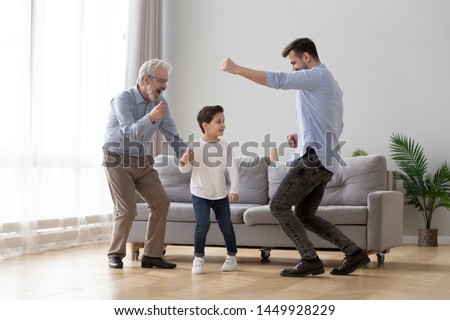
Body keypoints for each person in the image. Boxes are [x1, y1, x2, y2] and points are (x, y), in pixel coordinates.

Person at [221, 38, 370, 277]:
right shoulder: (329, 83)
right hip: (324, 159)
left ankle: (309, 259)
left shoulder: (316, 76)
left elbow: (279, 80)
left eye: (294, 62)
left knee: (278, 205)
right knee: (305, 215)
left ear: (307, 57)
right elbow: (334, 124)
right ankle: (354, 252)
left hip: (314, 160)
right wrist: (303, 138)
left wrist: (238, 70)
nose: (293, 68)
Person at [103, 59, 187, 269]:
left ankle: (152, 255)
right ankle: (115, 254)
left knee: (161, 202)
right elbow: (128, 132)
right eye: (161, 81)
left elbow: (171, 134)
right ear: (146, 79)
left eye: (167, 82)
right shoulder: (122, 99)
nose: (165, 86)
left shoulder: (161, 103)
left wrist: (185, 153)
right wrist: (150, 117)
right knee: (127, 209)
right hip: (117, 157)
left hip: (142, 159)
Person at [179, 105, 239, 274]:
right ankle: (198, 259)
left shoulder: (226, 147)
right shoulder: (195, 145)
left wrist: (234, 190)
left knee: (226, 226)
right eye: (218, 122)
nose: (223, 125)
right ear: (205, 125)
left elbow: (233, 170)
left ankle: (232, 258)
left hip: (220, 194)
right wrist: (184, 160)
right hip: (200, 194)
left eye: (224, 121)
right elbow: (184, 169)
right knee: (202, 225)